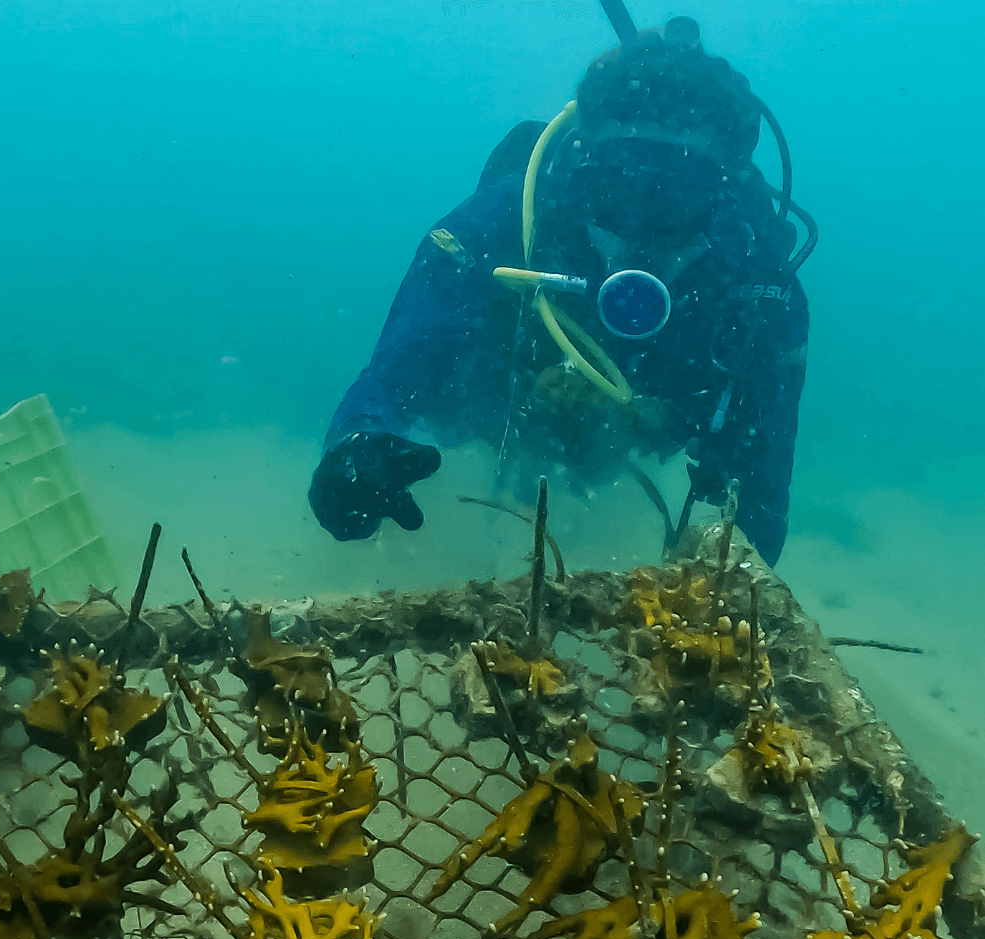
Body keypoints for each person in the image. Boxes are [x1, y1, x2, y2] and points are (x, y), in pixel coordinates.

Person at [308, 16, 815, 565]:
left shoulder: (758, 282)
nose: (643, 221)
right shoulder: (501, 225)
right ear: (582, 165)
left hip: (660, 412)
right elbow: (399, 368)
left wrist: (744, 582)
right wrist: (356, 447)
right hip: (499, 401)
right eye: (622, 180)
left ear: (726, 190)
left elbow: (765, 475)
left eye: (680, 191)